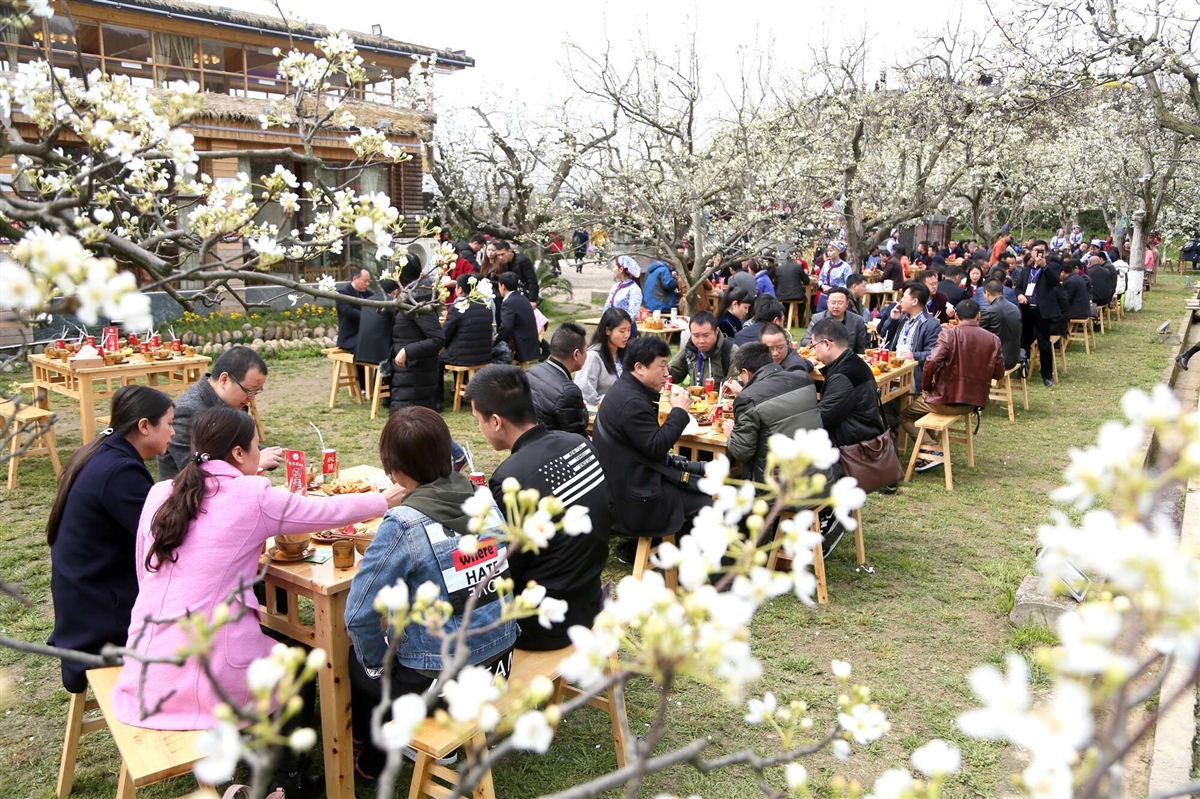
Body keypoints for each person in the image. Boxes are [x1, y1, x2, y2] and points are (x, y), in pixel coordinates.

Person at [114, 406, 398, 730]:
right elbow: (325, 510)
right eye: (256, 446)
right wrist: (384, 500)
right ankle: (288, 774)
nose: (258, 453)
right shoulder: (250, 495)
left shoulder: (159, 492)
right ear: (238, 452)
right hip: (201, 677)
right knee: (297, 661)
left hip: (144, 666)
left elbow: (144, 572)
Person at [345, 407, 516, 780]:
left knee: (356, 659)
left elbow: (358, 615)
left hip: (442, 675)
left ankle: (375, 755)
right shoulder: (482, 495)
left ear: (395, 470)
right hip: (501, 652)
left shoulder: (404, 522)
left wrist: (376, 667)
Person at [465, 366, 611, 650]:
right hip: (591, 598)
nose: (479, 429)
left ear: (496, 421)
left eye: (477, 420)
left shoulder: (512, 476)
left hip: (543, 624)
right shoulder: (580, 444)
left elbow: (506, 568)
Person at [47, 386, 175, 694]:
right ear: (144, 426)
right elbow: (164, 536)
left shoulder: (104, 451)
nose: (174, 431)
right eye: (169, 423)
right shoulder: (120, 471)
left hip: (83, 604)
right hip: (102, 622)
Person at [592, 336, 710, 543]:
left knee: (697, 483)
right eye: (661, 367)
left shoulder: (627, 390)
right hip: (635, 496)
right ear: (639, 368)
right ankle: (693, 563)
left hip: (630, 482)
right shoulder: (631, 402)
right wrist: (679, 412)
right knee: (708, 503)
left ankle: (677, 555)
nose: (667, 373)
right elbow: (656, 447)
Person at [899, 300, 1004, 469]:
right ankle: (927, 452)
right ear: (979, 316)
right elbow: (999, 374)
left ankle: (933, 451)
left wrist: (926, 388)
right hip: (973, 402)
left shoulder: (949, 334)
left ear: (956, 316)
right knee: (925, 407)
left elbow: (931, 362)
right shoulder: (993, 339)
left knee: (905, 416)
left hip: (946, 400)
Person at [159, 346, 283, 480]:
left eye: (256, 392)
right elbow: (191, 470)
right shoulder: (187, 411)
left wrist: (266, 452)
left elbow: (235, 446)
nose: (251, 398)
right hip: (189, 495)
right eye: (249, 391)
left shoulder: (232, 403)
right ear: (224, 380)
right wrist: (256, 463)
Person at [724, 343, 820, 483]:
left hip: (777, 489)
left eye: (740, 375)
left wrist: (732, 433)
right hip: (817, 477)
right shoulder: (805, 381)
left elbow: (741, 452)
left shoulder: (747, 398)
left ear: (746, 372)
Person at [808, 317, 886, 456]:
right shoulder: (855, 361)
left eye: (814, 346)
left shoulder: (842, 376)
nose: (814, 353)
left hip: (853, 447)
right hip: (864, 433)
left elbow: (822, 419)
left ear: (826, 344)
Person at [391, 255, 446, 411]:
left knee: (408, 425)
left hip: (416, 373)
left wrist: (406, 351)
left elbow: (437, 339)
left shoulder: (418, 300)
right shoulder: (408, 298)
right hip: (408, 373)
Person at [1012, 242, 1064, 387]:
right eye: (1034, 251)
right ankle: (1022, 368)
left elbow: (1055, 282)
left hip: (1043, 310)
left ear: (1046, 253)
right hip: (1027, 309)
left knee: (1044, 343)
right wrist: (1020, 295)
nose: (1037, 254)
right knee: (1024, 340)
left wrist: (1044, 266)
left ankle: (1047, 375)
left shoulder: (1051, 267)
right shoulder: (1026, 270)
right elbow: (1018, 288)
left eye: (1040, 251)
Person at [878, 281, 942, 398]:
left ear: (914, 301)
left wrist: (913, 355)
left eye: (904, 297)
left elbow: (934, 354)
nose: (900, 300)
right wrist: (892, 320)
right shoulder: (901, 318)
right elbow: (884, 338)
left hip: (913, 372)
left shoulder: (931, 324)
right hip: (892, 367)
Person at [525, 323, 589, 435]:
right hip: (555, 448)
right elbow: (577, 437)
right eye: (586, 350)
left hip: (531, 443)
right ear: (576, 354)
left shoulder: (531, 372)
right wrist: (583, 410)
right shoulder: (568, 392)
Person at [439, 273, 494, 401]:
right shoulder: (485, 305)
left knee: (438, 360)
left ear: (460, 289)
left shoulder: (458, 306)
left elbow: (445, 335)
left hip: (464, 356)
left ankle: (438, 400)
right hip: (484, 354)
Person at [575, 307, 631, 408]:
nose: (627, 335)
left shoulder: (623, 353)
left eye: (629, 330)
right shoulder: (593, 357)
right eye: (622, 331)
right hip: (602, 413)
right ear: (608, 330)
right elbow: (585, 393)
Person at [669, 310, 738, 387]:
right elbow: (674, 373)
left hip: (720, 398)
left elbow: (734, 386)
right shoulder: (690, 348)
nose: (701, 341)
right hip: (695, 397)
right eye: (696, 336)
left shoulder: (731, 351)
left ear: (716, 331)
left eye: (706, 335)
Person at [355, 277, 400, 389]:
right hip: (379, 354)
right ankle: (392, 388)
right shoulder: (391, 303)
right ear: (395, 291)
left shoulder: (367, 301)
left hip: (361, 351)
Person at [336, 265, 374, 393]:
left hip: (367, 335)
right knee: (362, 348)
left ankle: (379, 382)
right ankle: (363, 385)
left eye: (369, 281)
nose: (367, 284)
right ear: (355, 279)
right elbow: (348, 312)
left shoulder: (370, 294)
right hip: (350, 337)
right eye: (365, 281)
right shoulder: (343, 293)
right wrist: (368, 314)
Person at [801, 288, 869, 353]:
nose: (836, 306)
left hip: (847, 359)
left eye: (840, 303)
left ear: (847, 304)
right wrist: (821, 345)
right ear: (827, 303)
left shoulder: (857, 320)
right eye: (833, 302)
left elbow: (861, 348)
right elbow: (805, 341)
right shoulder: (817, 318)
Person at [497, 271, 540, 364]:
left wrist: (495, 340)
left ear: (502, 286)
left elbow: (506, 328)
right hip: (530, 345)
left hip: (519, 347)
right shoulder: (523, 298)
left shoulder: (508, 303)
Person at [979, 279, 1023, 370]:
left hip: (997, 360)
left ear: (987, 293)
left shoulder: (990, 311)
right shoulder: (1014, 307)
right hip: (1014, 357)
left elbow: (973, 331)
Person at [491, 239, 539, 306]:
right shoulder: (503, 263)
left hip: (525, 295)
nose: (501, 257)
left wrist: (532, 300)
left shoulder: (523, 261)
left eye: (503, 254)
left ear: (510, 251)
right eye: (498, 255)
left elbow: (531, 280)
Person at [604, 255, 644, 329]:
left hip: (625, 329)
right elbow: (607, 307)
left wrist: (619, 326)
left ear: (621, 269)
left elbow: (633, 314)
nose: (613, 269)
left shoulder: (634, 289)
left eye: (615, 266)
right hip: (611, 327)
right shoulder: (615, 286)